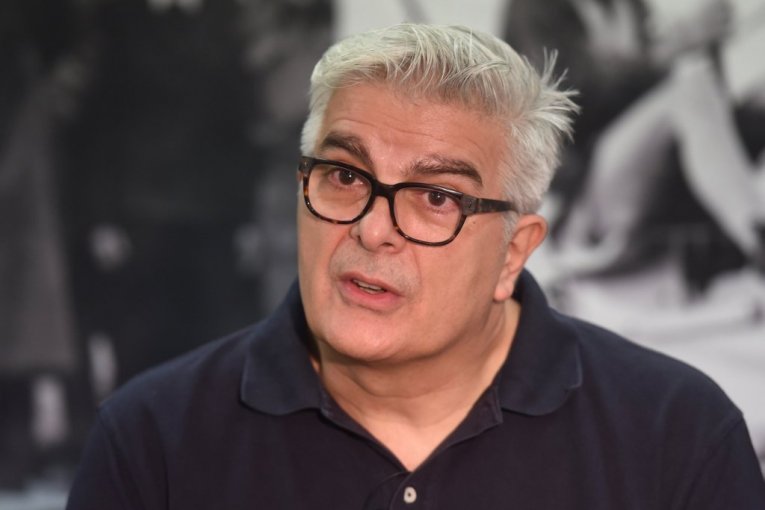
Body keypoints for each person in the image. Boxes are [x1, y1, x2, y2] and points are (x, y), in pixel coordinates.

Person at [65, 23, 765, 509]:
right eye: (344, 176)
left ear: (513, 252)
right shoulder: (153, 439)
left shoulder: (676, 435)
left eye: (436, 198)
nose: (372, 230)